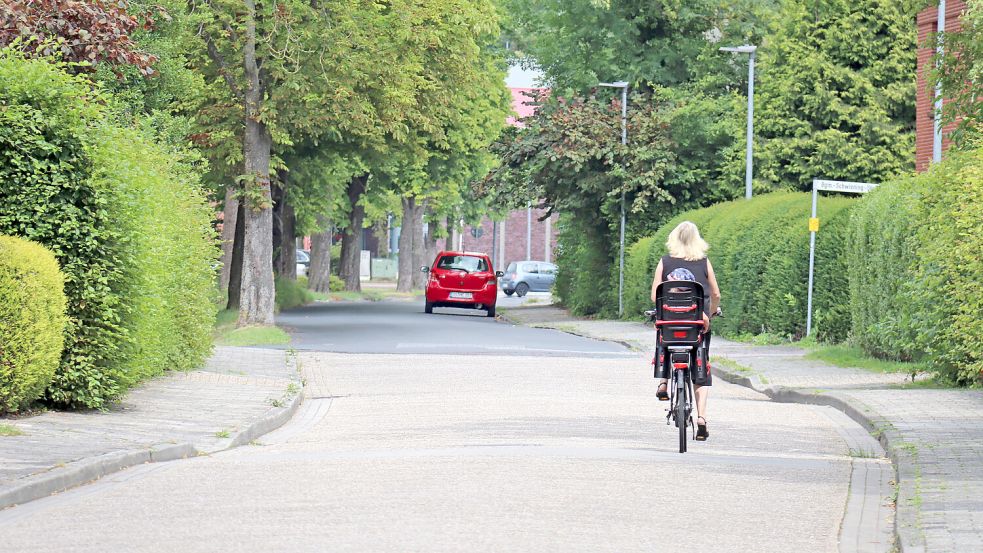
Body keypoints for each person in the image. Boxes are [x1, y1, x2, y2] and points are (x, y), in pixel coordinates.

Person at [650, 221, 721, 441]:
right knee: (701, 362)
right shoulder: (704, 262)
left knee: (662, 333)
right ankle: (701, 418)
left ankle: (663, 382)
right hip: (697, 323)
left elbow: (655, 296)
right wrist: (709, 313)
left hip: (670, 322)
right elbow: (716, 294)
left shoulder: (665, 262)